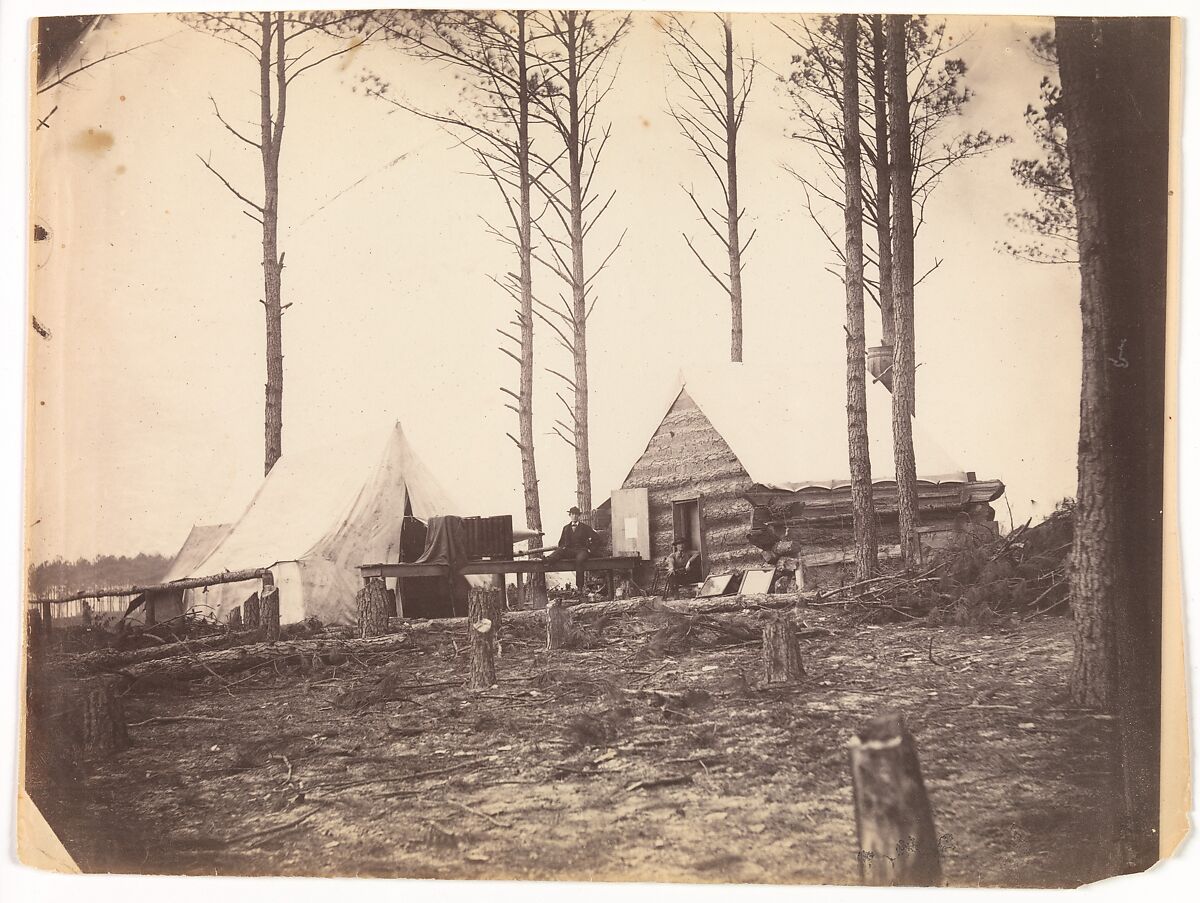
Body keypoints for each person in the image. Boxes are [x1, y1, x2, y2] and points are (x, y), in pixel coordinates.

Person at [549, 506, 599, 596]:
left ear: (579, 516)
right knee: (560, 551)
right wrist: (564, 548)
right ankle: (548, 560)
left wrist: (590, 550)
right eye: (572, 514)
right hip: (570, 551)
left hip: (582, 550)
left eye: (576, 514)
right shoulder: (566, 528)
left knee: (579, 560)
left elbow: (597, 539)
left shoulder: (585, 527)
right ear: (570, 515)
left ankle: (579, 587)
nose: (574, 516)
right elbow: (561, 543)